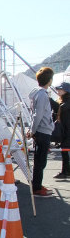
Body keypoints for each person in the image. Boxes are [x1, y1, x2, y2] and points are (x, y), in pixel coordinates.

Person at [27, 67, 54, 197]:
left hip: (40, 131)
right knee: (40, 161)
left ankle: (37, 184)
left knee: (39, 160)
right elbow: (38, 115)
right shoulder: (42, 94)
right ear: (49, 80)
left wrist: (32, 130)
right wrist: (32, 130)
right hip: (43, 131)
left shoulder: (37, 93)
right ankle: (37, 188)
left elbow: (35, 114)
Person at [53, 81, 70, 179]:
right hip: (66, 131)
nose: (58, 91)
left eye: (60, 89)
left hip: (67, 132)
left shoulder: (67, 102)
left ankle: (66, 171)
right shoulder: (64, 101)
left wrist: (50, 101)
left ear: (66, 91)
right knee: (65, 151)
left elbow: (60, 108)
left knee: (65, 151)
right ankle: (66, 171)